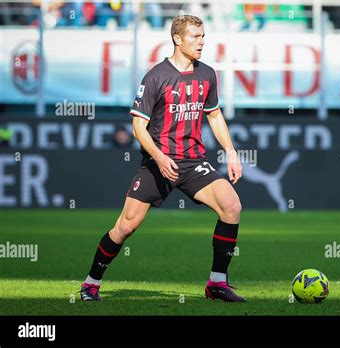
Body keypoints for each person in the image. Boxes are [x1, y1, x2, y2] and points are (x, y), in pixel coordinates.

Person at [80, 14, 246, 303]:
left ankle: (217, 283)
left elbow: (215, 114)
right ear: (177, 39)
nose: (202, 41)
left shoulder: (207, 74)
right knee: (126, 226)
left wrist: (231, 152)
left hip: (193, 163)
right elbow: (138, 126)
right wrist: (158, 156)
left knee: (232, 206)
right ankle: (91, 284)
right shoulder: (156, 76)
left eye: (203, 35)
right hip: (159, 163)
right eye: (195, 36)